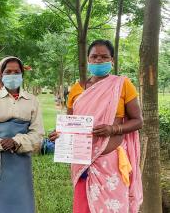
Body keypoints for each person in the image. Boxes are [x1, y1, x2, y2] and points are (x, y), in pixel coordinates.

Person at [49, 40, 143, 213]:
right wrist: (60, 134)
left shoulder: (122, 85)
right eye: (94, 56)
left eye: (104, 56)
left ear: (112, 60)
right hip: (82, 160)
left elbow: (138, 121)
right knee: (84, 207)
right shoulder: (76, 89)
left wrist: (113, 129)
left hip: (111, 164)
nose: (99, 60)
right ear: (88, 59)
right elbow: (71, 124)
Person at [0, 56, 45, 213]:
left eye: (16, 72)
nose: (12, 75)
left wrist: (17, 141)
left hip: (22, 157)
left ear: (22, 75)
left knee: (20, 197)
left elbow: (38, 133)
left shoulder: (32, 100)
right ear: (1, 74)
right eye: (8, 71)